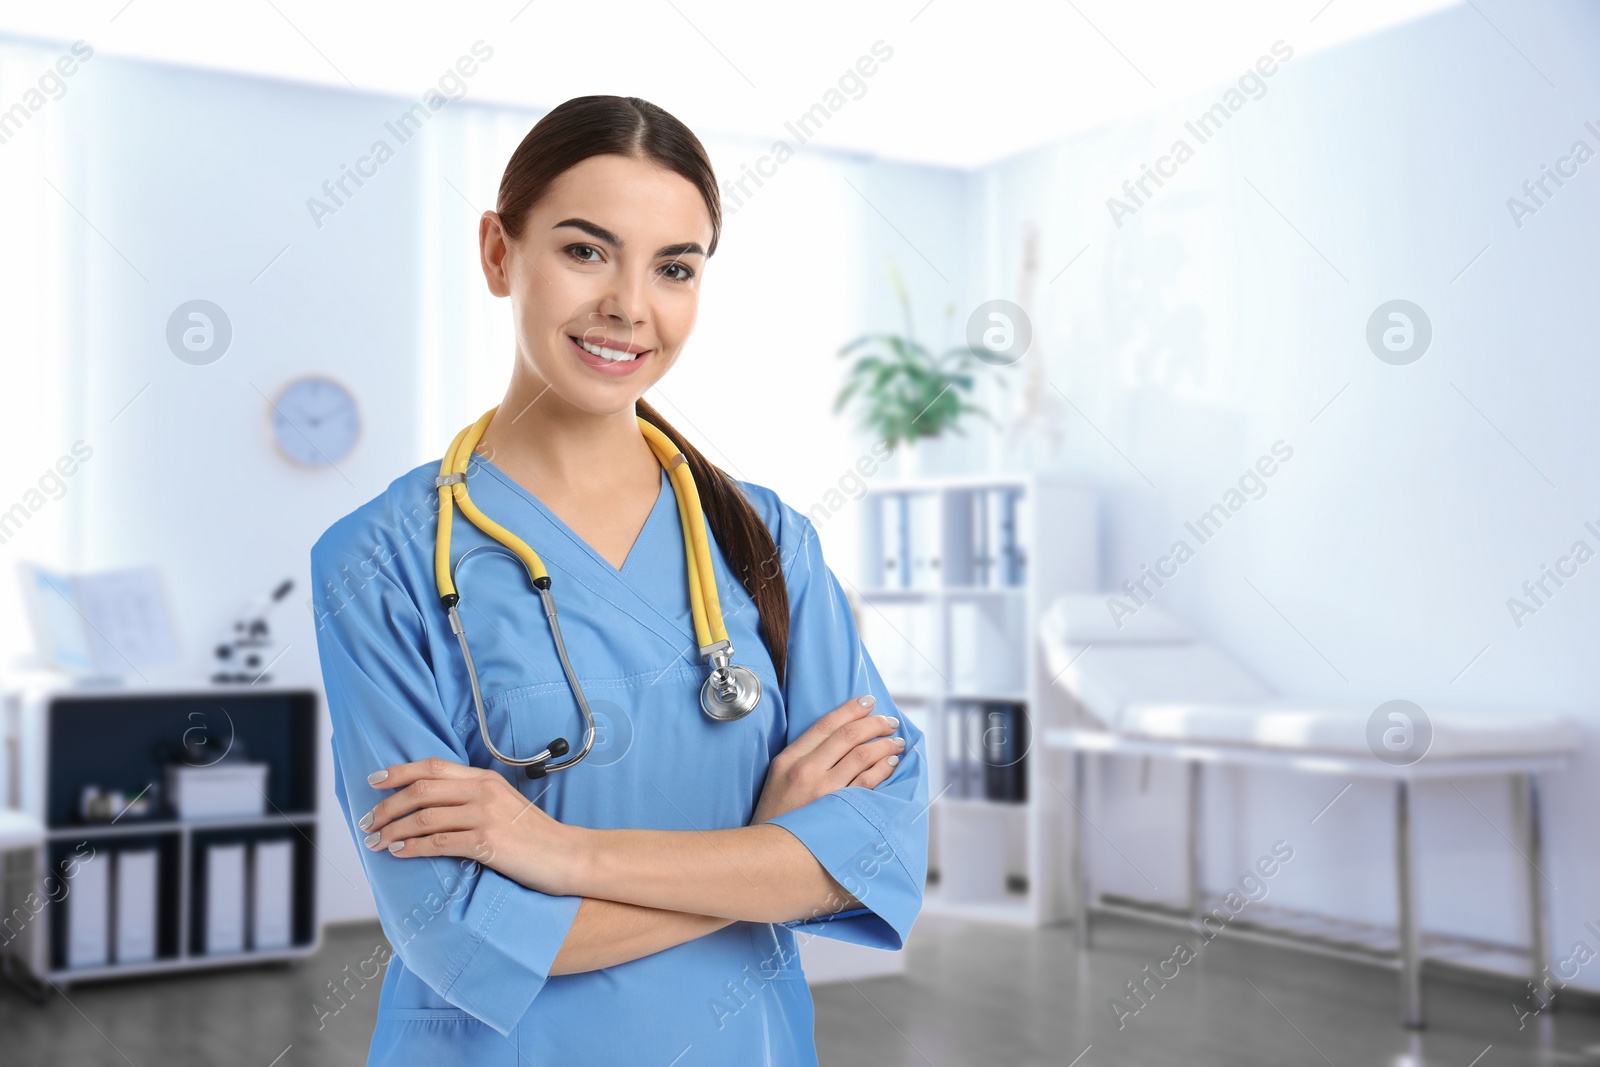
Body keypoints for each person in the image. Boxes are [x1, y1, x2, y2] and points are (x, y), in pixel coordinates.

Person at [310, 94, 928, 1066]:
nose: (630, 305)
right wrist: (763, 853)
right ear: (498, 253)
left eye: (673, 267)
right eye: (586, 250)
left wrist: (560, 855)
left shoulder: (769, 541)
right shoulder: (378, 561)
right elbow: (456, 933)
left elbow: (873, 853)